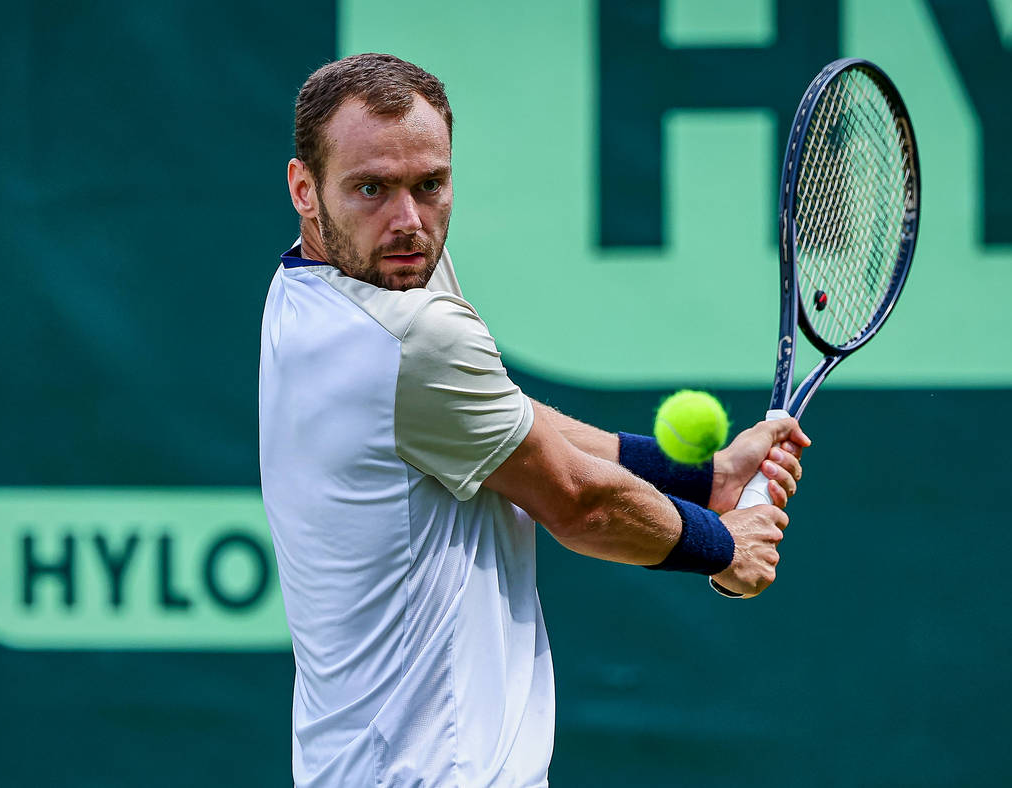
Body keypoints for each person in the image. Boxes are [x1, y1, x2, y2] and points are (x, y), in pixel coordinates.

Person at [258, 53, 811, 787]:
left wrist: (701, 477)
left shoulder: (314, 287)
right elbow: (579, 503)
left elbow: (504, 421)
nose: (409, 221)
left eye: (430, 185)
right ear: (304, 188)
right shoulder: (409, 335)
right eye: (371, 189)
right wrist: (723, 545)